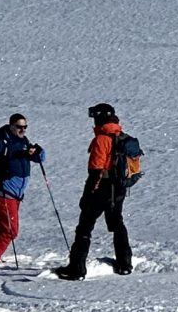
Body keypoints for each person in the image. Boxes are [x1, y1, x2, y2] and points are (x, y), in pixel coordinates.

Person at [55, 103, 132, 279]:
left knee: (85, 227)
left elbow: (96, 170)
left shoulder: (102, 139)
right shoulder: (122, 136)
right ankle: (125, 263)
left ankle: (77, 268)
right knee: (117, 223)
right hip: (119, 189)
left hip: (102, 189)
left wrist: (87, 194)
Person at [0, 112, 43, 265]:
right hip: (4, 191)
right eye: (19, 127)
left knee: (3, 224)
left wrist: (38, 152)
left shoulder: (23, 141)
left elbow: (39, 159)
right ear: (11, 126)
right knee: (11, 229)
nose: (23, 130)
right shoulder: (0, 142)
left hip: (17, 193)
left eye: (25, 127)